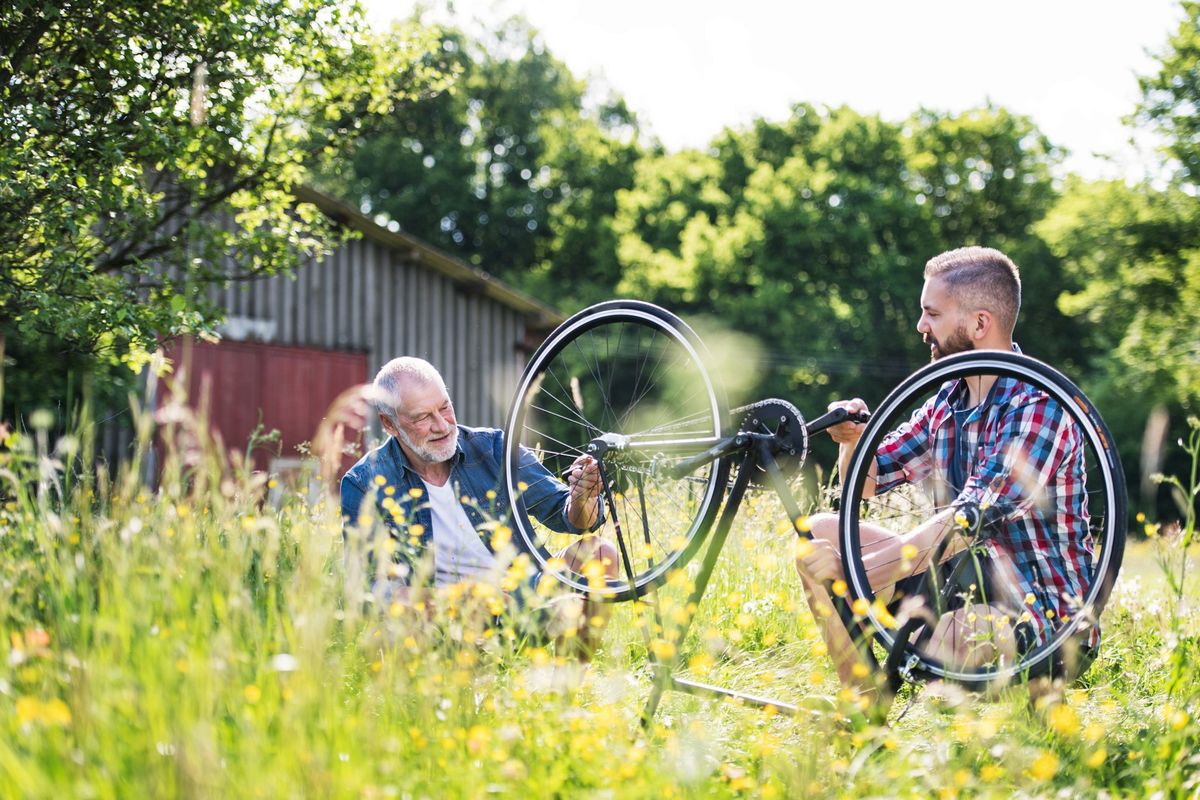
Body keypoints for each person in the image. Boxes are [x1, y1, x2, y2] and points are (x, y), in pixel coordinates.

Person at [794, 246, 1094, 695]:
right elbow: (871, 479)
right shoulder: (947, 400)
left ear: (978, 323)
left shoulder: (1038, 404)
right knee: (818, 534)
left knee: (935, 643)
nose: (921, 327)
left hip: (1043, 612)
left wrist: (854, 572)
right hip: (963, 582)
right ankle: (865, 698)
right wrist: (853, 441)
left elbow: (968, 521)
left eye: (931, 313)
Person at [340, 356, 618, 651]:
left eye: (445, 407)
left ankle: (570, 679)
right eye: (422, 417)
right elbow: (370, 589)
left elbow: (570, 518)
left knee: (601, 554)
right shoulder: (364, 482)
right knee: (381, 637)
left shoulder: (495, 448)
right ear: (389, 424)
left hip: (525, 591)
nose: (442, 425)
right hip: (447, 619)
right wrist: (460, 598)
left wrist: (581, 496)